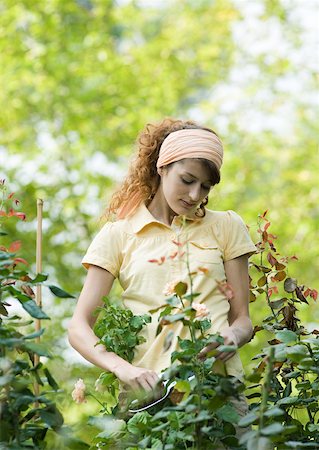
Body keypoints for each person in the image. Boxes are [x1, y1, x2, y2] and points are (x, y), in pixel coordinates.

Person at [68, 118, 256, 396]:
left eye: (205, 187)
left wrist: (234, 335)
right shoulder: (119, 234)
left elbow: (243, 320)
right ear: (162, 167)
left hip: (216, 394)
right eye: (187, 180)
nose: (195, 195)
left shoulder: (226, 226)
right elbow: (78, 327)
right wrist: (122, 368)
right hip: (147, 395)